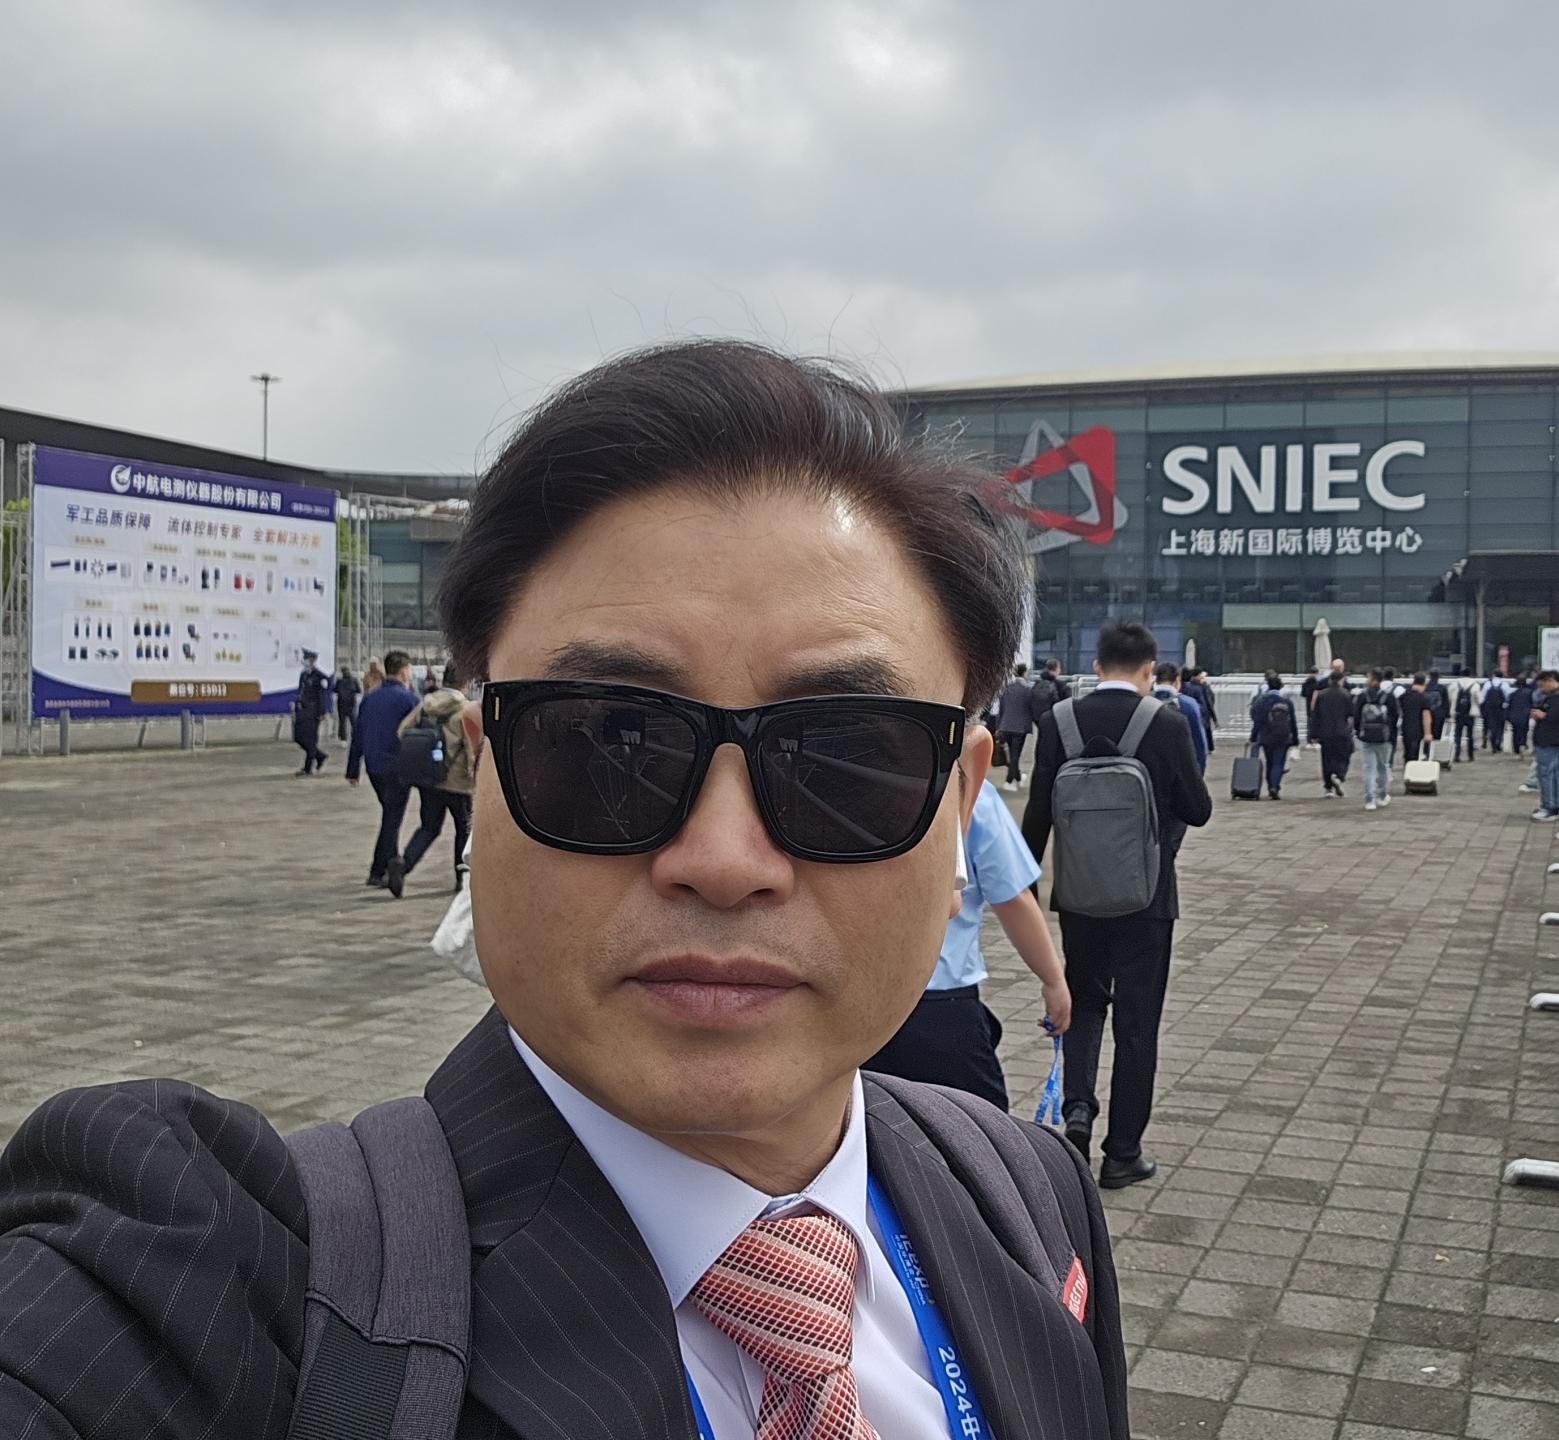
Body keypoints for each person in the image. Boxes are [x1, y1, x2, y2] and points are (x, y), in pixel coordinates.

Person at [0, 341, 1129, 1439]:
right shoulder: (220, 1270)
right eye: (603, 743)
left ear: (961, 799)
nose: (723, 860)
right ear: (483, 766)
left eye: (844, 759)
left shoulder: (1030, 1200)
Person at [1022, 619, 1212, 1190]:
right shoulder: (1166, 721)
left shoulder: (1059, 722)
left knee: (1084, 1004)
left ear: (1097, 665)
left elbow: (1037, 815)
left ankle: (1077, 1111)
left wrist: (1027, 892)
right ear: (1150, 669)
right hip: (1147, 899)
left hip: (1079, 897)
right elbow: (1198, 808)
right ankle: (1123, 1152)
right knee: (1137, 1024)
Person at [866, 784, 1071, 1108]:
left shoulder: (842, 779)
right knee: (980, 1125)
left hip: (855, 1004)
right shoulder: (967, 789)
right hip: (941, 1001)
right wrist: (1053, 980)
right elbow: (1012, 897)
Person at [387, 662, 477, 898]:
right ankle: (461, 877)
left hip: (430, 779)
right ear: (465, 682)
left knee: (428, 827)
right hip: (458, 783)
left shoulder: (425, 705)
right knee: (463, 829)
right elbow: (471, 749)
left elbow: (402, 730)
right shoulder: (465, 709)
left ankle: (403, 864)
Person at [344, 649, 420, 887]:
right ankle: (378, 870)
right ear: (404, 671)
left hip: (374, 767)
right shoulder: (409, 700)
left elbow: (357, 735)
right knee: (392, 819)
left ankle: (388, 866)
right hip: (397, 767)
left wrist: (352, 769)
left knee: (390, 815)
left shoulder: (369, 698)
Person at [1529, 671, 1559, 822]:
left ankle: (1549, 807)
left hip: (1549, 742)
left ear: (1549, 681)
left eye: (1542, 685)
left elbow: (1555, 716)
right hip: (1557, 742)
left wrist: (1542, 715)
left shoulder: (1556, 698)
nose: (1541, 688)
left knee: (1547, 774)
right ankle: (1554, 806)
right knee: (1555, 774)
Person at [1152, 662, 1209, 774]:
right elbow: (1200, 746)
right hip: (1180, 770)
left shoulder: (1144, 702)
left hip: (1150, 772)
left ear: (1156, 680)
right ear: (1177, 681)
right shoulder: (1189, 705)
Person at [1249, 670, 1298, 799]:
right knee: (1278, 762)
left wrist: (1253, 737)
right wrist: (1295, 739)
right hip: (1283, 736)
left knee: (1269, 761)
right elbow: (1293, 722)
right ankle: (1274, 786)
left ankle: (1270, 785)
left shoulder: (1261, 702)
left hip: (1266, 736)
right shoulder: (1287, 701)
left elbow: (1257, 721)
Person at [1356, 667, 1397, 812]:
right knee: (1383, 767)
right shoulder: (1388, 697)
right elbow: (1395, 716)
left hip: (1366, 736)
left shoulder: (1363, 696)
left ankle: (1369, 800)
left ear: (1373, 678)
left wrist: (1358, 732)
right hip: (1383, 737)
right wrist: (1391, 735)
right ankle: (1383, 795)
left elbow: (1356, 716)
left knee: (1369, 768)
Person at [1311, 660, 1354, 797]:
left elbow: (1315, 715)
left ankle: (1328, 786)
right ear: (1341, 680)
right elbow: (1351, 715)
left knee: (1326, 758)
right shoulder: (1346, 694)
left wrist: (1313, 734)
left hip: (1325, 732)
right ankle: (1339, 775)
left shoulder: (1322, 695)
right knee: (1343, 755)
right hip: (1342, 731)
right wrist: (1351, 729)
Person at [994, 662, 1035, 790]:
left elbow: (1001, 709)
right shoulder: (1027, 690)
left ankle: (1017, 777)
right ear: (1025, 673)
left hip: (1006, 725)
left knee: (1012, 753)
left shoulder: (1006, 688)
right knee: (1015, 754)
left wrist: (998, 726)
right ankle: (1009, 780)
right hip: (1020, 727)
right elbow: (1030, 709)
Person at [290, 648, 331, 775]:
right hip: (301, 710)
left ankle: (308, 768)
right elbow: (301, 691)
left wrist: (322, 712)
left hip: (313, 711)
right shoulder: (303, 675)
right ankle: (320, 756)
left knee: (311, 739)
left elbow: (322, 695)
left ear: (313, 660)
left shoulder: (320, 676)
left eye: (307, 659)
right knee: (298, 737)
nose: (305, 661)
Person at [1398, 672, 1433, 769]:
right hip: (1418, 730)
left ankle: (1407, 770)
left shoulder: (1404, 696)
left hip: (1405, 728)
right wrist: (1428, 733)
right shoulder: (1424, 698)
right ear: (1424, 683)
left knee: (1407, 753)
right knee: (1417, 754)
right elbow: (1426, 716)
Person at [1185, 668, 1219, 754]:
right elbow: (1209, 700)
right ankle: (1207, 748)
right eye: (1200, 675)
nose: (1201, 677)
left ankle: (1208, 747)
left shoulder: (1201, 686)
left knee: (1206, 731)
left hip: (1204, 713)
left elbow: (1209, 699)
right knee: (1204, 731)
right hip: (1202, 713)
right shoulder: (1197, 687)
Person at [331, 662, 360, 743]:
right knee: (353, 721)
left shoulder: (339, 681)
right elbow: (359, 690)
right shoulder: (354, 680)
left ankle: (343, 739)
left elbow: (335, 690)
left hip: (341, 703)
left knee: (342, 722)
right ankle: (356, 736)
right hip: (351, 703)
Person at [1507, 673, 1535, 756]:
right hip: (1525, 715)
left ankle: (1516, 749)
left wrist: (1508, 716)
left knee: (1515, 731)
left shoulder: (1513, 694)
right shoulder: (1530, 693)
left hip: (1514, 716)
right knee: (1524, 731)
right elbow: (1533, 704)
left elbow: (1509, 706)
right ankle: (1522, 744)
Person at [1452, 674, 1477, 763]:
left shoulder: (1455, 684)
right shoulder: (1475, 684)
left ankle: (1456, 755)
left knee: (1457, 735)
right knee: (1470, 735)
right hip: (1470, 714)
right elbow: (1480, 699)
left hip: (1459, 713)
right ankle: (1470, 755)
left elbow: (1451, 697)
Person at [1483, 674, 1509, 754]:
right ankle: (1499, 742)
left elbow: (1483, 696)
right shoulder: (1504, 684)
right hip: (1500, 709)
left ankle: (1493, 745)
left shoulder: (1487, 683)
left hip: (1490, 709)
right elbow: (1507, 697)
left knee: (1491, 727)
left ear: (1493, 675)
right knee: (1500, 727)